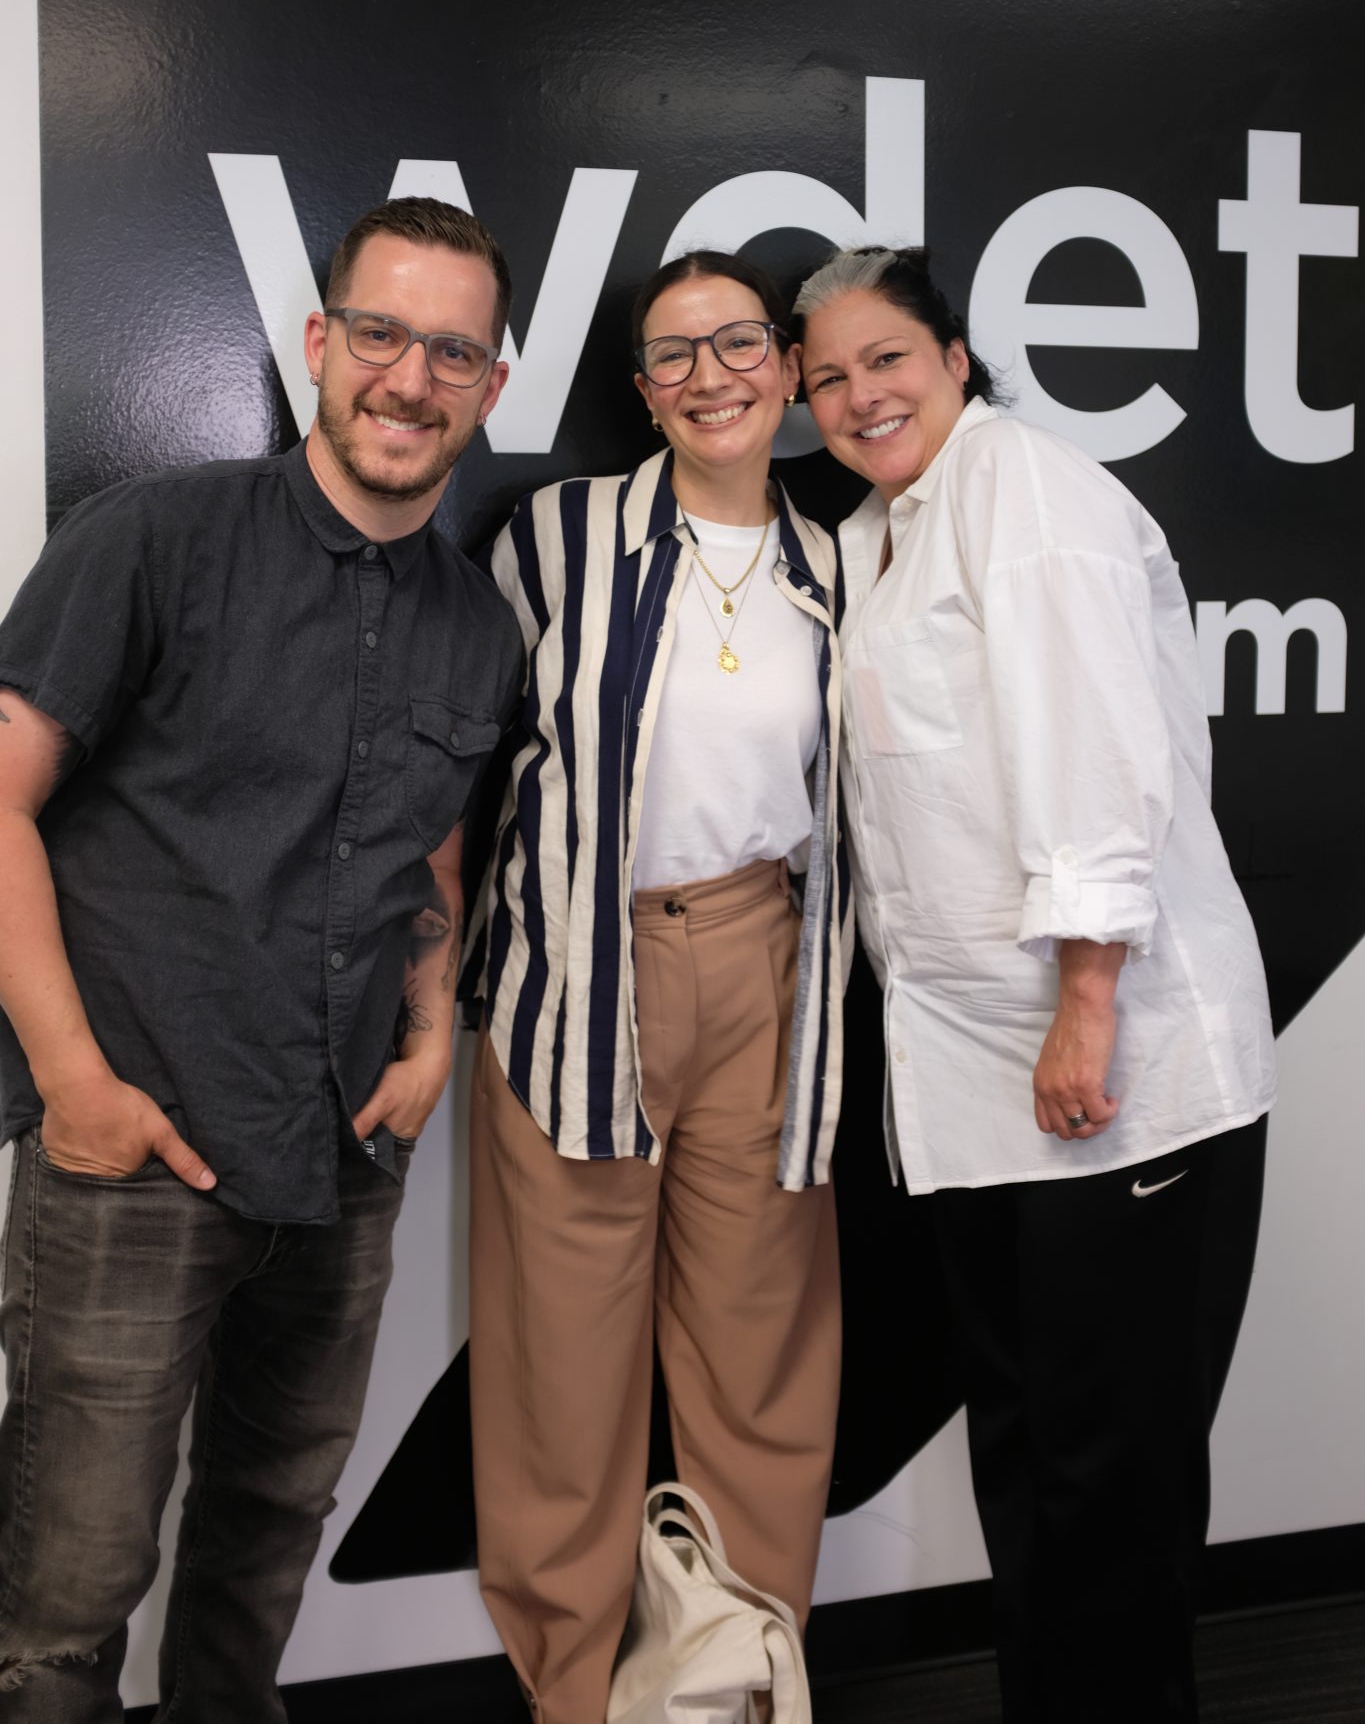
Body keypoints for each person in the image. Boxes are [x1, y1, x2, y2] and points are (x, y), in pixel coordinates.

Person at [0, 197, 522, 1721]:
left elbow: (429, 841)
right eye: (380, 334)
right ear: (318, 344)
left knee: (265, 1542)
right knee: (64, 1591)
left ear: (487, 386)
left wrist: (430, 1035)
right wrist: (70, 1083)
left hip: (340, 1155)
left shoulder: (474, 628)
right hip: (132, 1154)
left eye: (450, 351)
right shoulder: (153, 540)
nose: (408, 380)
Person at [794, 245, 1276, 1724]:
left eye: (887, 357)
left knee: (1106, 1478)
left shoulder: (1026, 493)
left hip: (1110, 1076)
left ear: (954, 356)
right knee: (1028, 1448)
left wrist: (1084, 1006)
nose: (858, 394)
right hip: (977, 1082)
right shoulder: (891, 528)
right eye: (826, 377)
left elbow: (1091, 763)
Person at [466, 250, 846, 1723]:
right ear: (639, 390)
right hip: (575, 977)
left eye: (738, 344)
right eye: (673, 357)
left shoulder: (836, 562)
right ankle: (572, 1691)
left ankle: (742, 1677)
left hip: (767, 965)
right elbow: (471, 768)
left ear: (787, 366)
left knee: (759, 1352)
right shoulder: (553, 538)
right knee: (562, 1369)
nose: (711, 378)